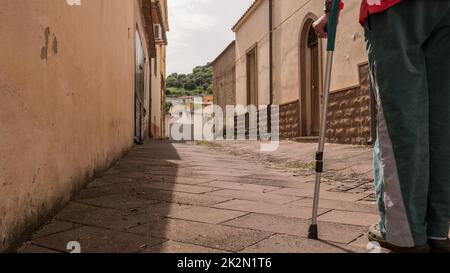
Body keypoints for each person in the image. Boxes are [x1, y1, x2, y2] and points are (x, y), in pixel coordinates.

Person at [314, 0, 450, 253]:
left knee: (401, 119)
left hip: (391, 7)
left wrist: (330, 9)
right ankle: (438, 230)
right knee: (443, 122)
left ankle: (402, 234)